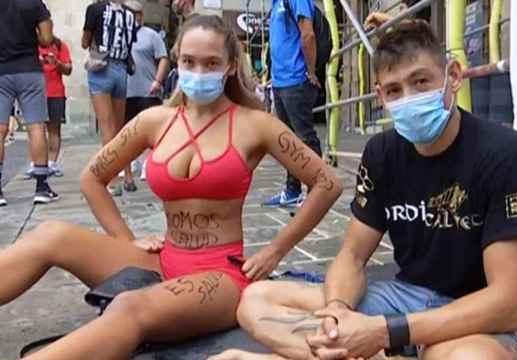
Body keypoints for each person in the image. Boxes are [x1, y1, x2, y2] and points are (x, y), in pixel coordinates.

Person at [0, 15, 342, 359]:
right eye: (189, 61)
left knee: (129, 308)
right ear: (176, 61)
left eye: (211, 63)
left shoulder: (255, 125)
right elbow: (92, 177)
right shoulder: (156, 121)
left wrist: (275, 250)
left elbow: (327, 183)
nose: (199, 71)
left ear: (230, 67)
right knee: (51, 235)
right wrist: (125, 239)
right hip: (163, 260)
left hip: (220, 277)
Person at [214, 19, 517, 360]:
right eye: (394, 90)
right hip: (404, 298)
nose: (409, 98)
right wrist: (337, 313)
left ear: (453, 76)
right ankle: (347, 351)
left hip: (478, 321)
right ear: (380, 95)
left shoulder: (509, 155)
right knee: (255, 301)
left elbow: (509, 304)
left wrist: (381, 331)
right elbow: (352, 255)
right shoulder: (382, 153)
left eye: (421, 82)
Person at [262, 0, 323, 208]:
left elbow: (308, 35)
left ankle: (317, 190)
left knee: (305, 138)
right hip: (280, 82)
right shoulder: (276, 3)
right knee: (288, 141)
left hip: (296, 80)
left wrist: (311, 72)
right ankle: (292, 191)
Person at [0, 0, 59, 206]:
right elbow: (46, 39)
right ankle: (41, 187)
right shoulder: (35, 3)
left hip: (1, 72)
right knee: (36, 127)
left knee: (0, 130)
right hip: (29, 70)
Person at [82, 0, 139, 197]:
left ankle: (113, 180)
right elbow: (130, 43)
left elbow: (84, 42)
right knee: (120, 127)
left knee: (106, 127)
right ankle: (129, 176)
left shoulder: (95, 9)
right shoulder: (130, 15)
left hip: (101, 69)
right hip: (121, 70)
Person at [122, 0, 170, 191]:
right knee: (128, 130)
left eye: (138, 14)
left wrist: (157, 81)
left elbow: (163, 59)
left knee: (150, 131)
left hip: (147, 90)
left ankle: (149, 164)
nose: (136, 17)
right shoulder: (121, 35)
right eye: (132, 14)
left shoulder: (151, 36)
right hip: (125, 90)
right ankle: (133, 162)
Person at [38, 33, 73, 177]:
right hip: (36, 92)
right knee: (36, 130)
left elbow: (69, 69)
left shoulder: (60, 46)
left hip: (55, 93)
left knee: (54, 129)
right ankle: (38, 162)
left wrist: (57, 63)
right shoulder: (30, 46)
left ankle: (52, 163)